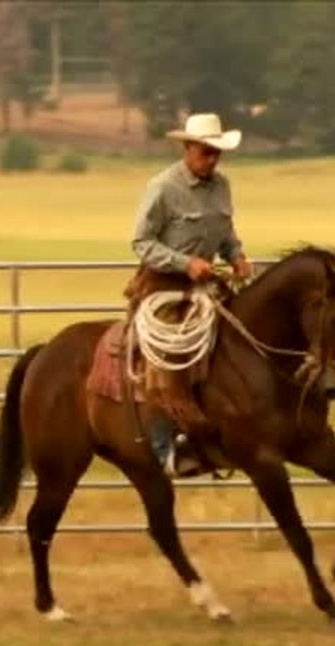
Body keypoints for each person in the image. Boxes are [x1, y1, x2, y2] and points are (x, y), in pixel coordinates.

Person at [127, 112, 254, 478]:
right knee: (166, 353)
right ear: (187, 148)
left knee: (241, 338)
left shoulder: (222, 187)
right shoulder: (163, 188)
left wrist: (236, 256)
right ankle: (163, 445)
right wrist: (184, 264)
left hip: (206, 286)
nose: (212, 159)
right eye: (206, 152)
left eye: (217, 153)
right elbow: (141, 242)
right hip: (163, 286)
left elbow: (225, 230)